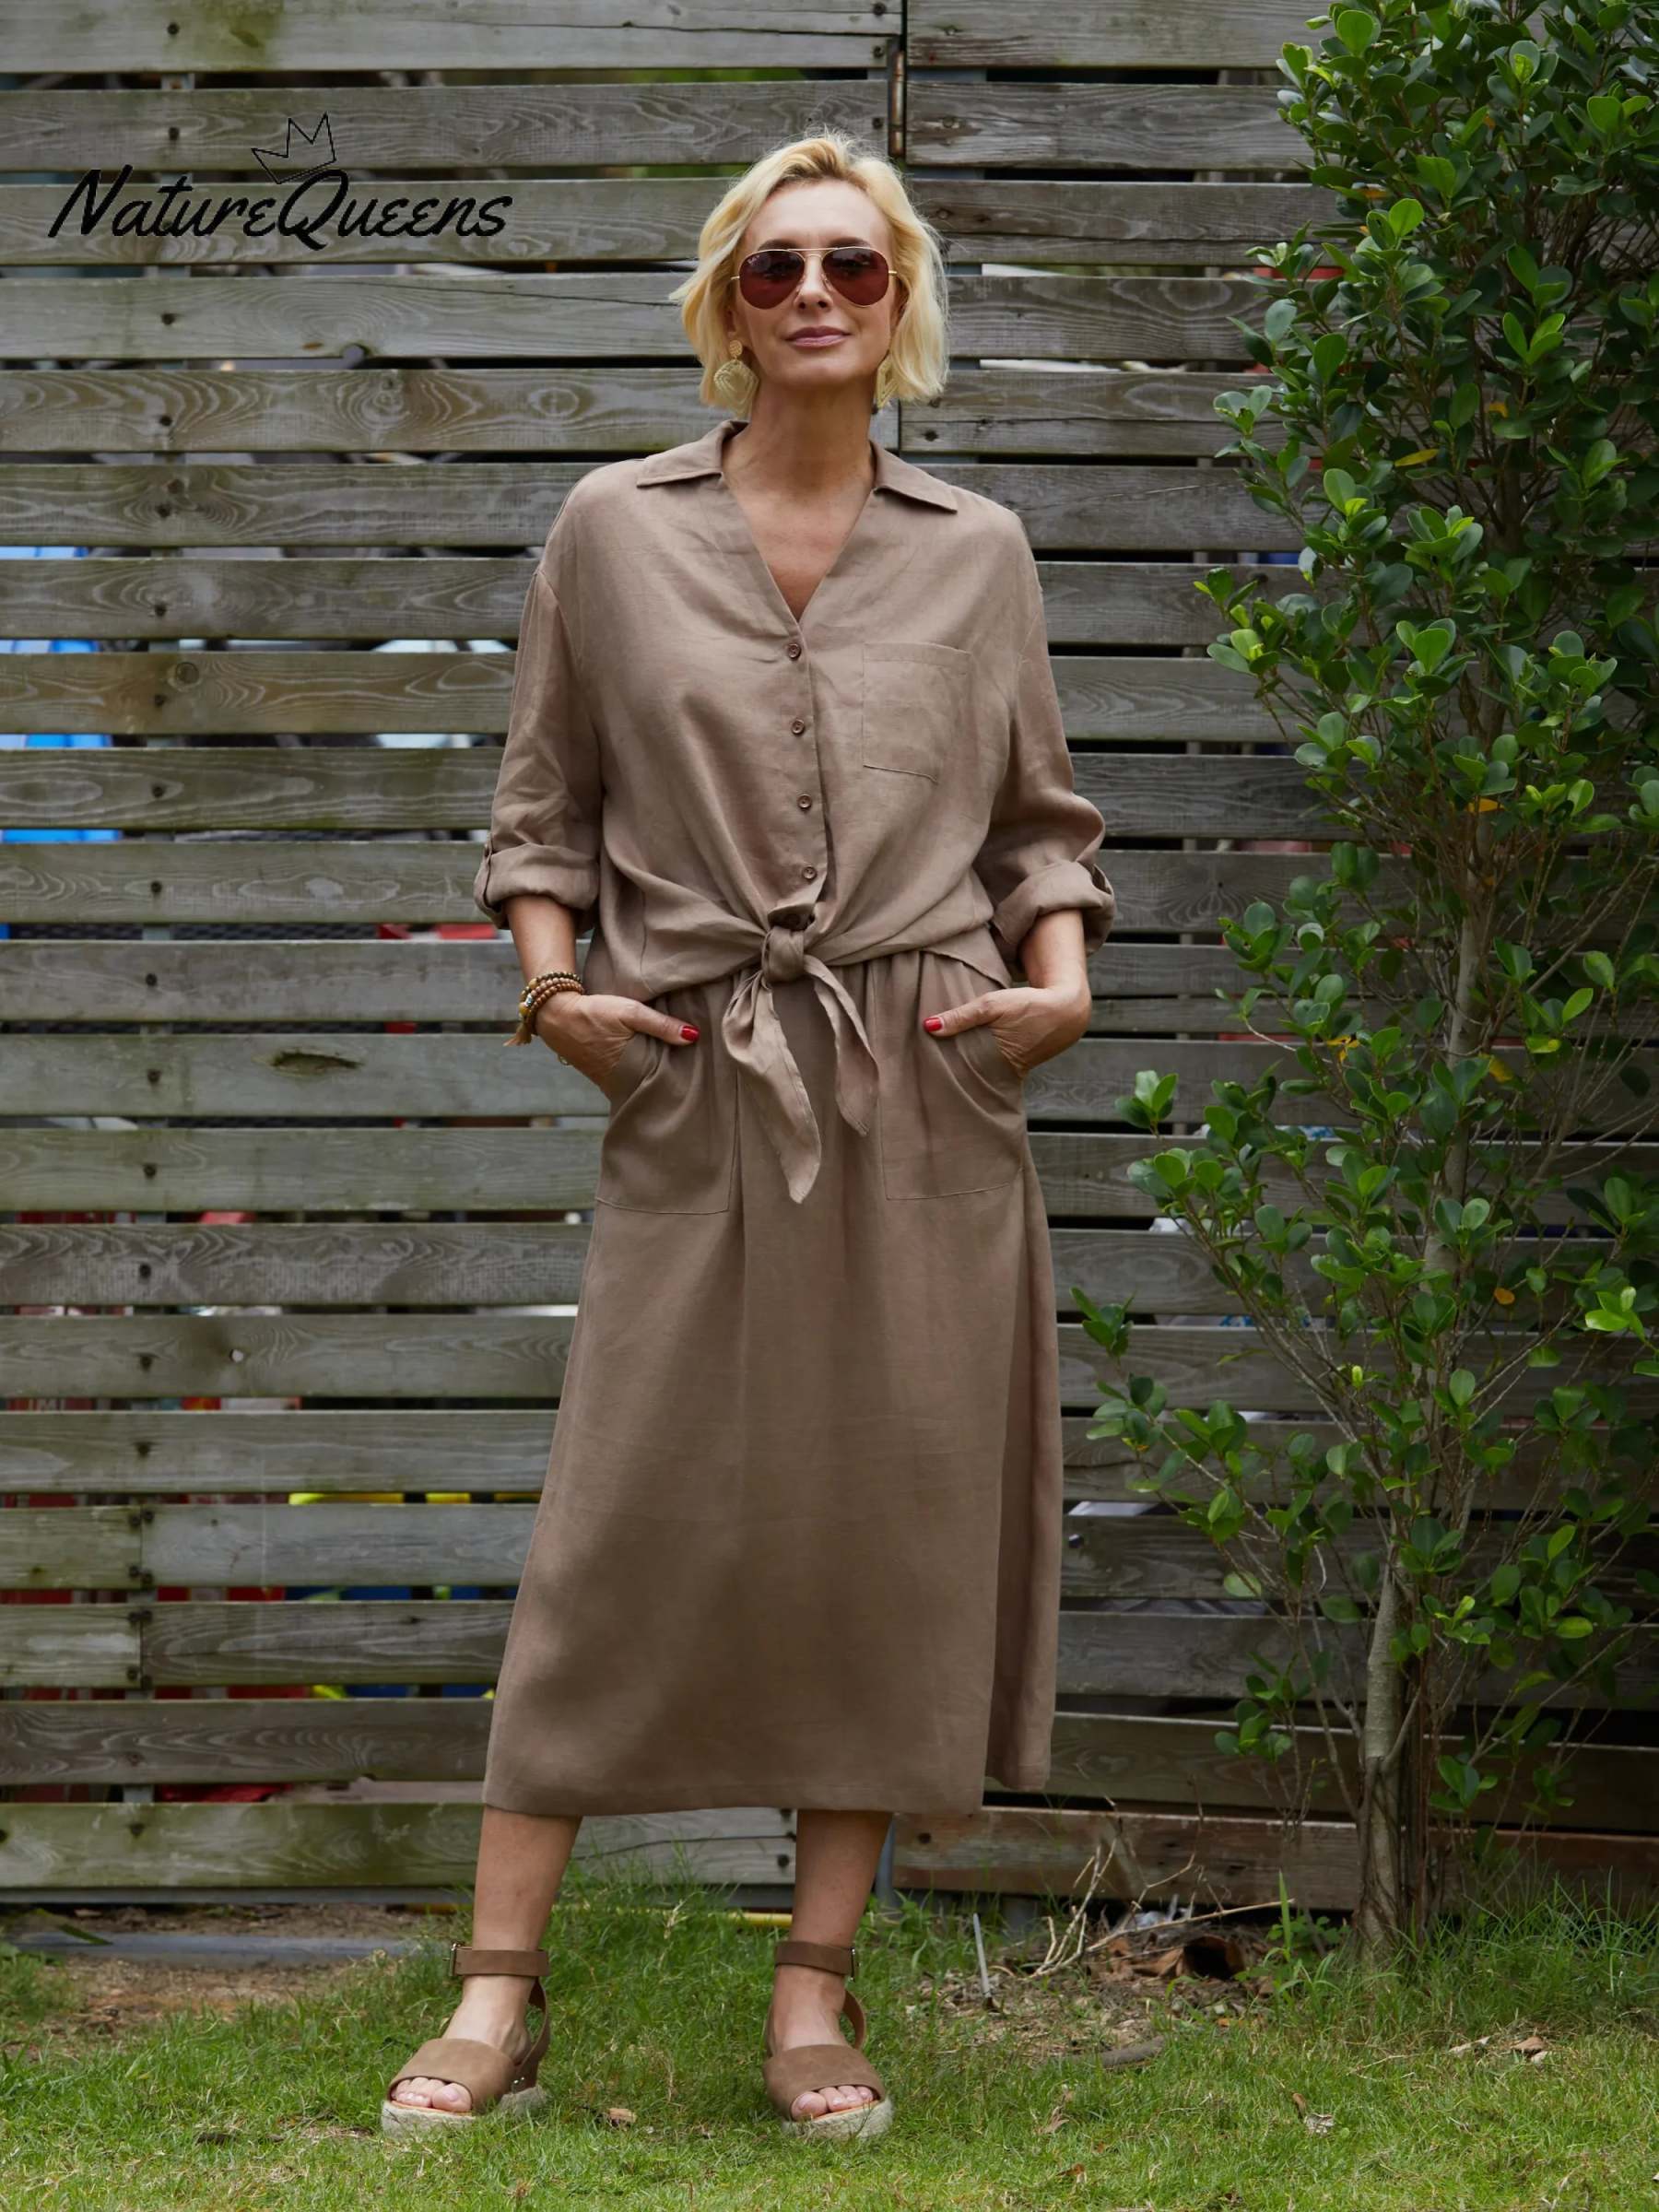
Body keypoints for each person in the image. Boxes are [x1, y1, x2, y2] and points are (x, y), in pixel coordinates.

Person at [382, 129, 1114, 2142]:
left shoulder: (978, 551)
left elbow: (1039, 825)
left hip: (929, 1073)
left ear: (902, 305)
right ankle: (497, 1990)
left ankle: (813, 1990)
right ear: (725, 300)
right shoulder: (613, 532)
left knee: (882, 1532)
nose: (813, 294)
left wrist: (1059, 992)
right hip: (701, 1070)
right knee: (615, 1526)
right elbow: (542, 810)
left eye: (853, 268)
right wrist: (556, 998)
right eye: (776, 265)